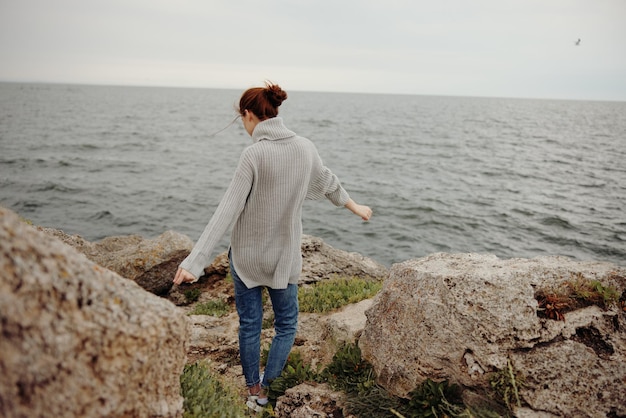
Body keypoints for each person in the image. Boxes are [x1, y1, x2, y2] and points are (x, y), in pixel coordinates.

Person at [173, 82, 372, 411]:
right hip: (284, 257)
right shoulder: (305, 148)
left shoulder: (254, 154)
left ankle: (252, 391)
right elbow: (328, 182)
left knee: (250, 324)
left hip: (247, 258)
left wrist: (194, 263)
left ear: (250, 115)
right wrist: (356, 207)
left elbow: (227, 210)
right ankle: (268, 390)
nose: (244, 128)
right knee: (287, 325)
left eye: (243, 120)